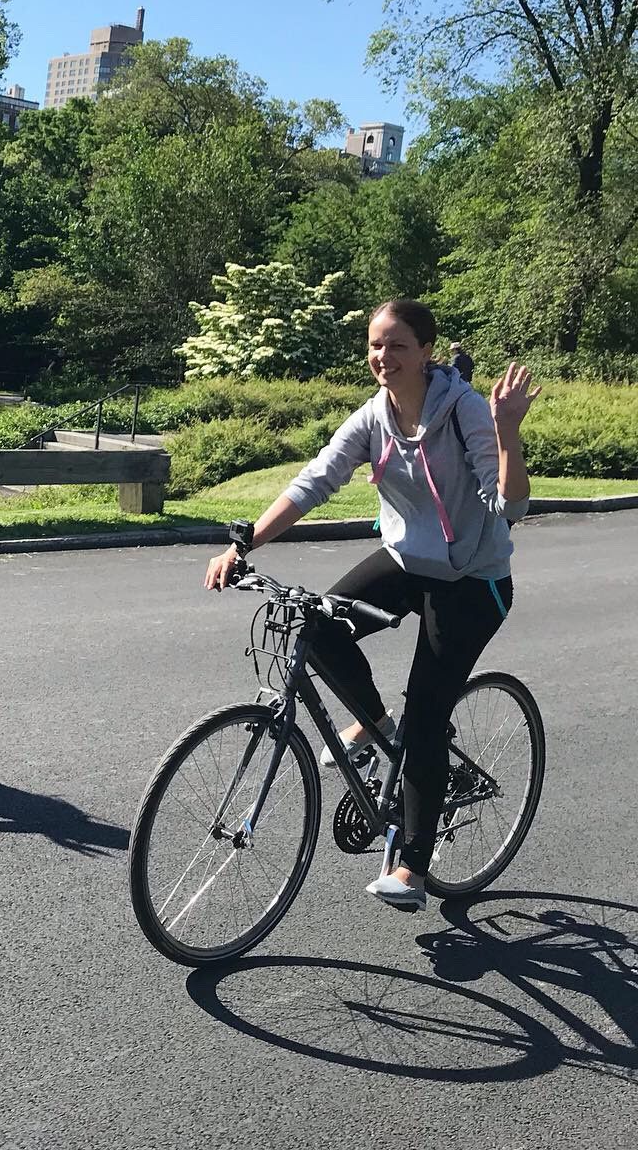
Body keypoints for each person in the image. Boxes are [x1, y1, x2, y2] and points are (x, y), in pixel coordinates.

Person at [204, 299, 539, 913]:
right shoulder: (373, 417)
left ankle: (410, 864)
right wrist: (244, 540)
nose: (383, 358)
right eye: (375, 345)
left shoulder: (464, 411)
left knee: (429, 710)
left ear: (427, 352)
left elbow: (511, 506)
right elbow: (315, 480)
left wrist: (508, 432)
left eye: (397, 346)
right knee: (314, 622)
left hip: (473, 580)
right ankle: (377, 725)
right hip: (409, 560)